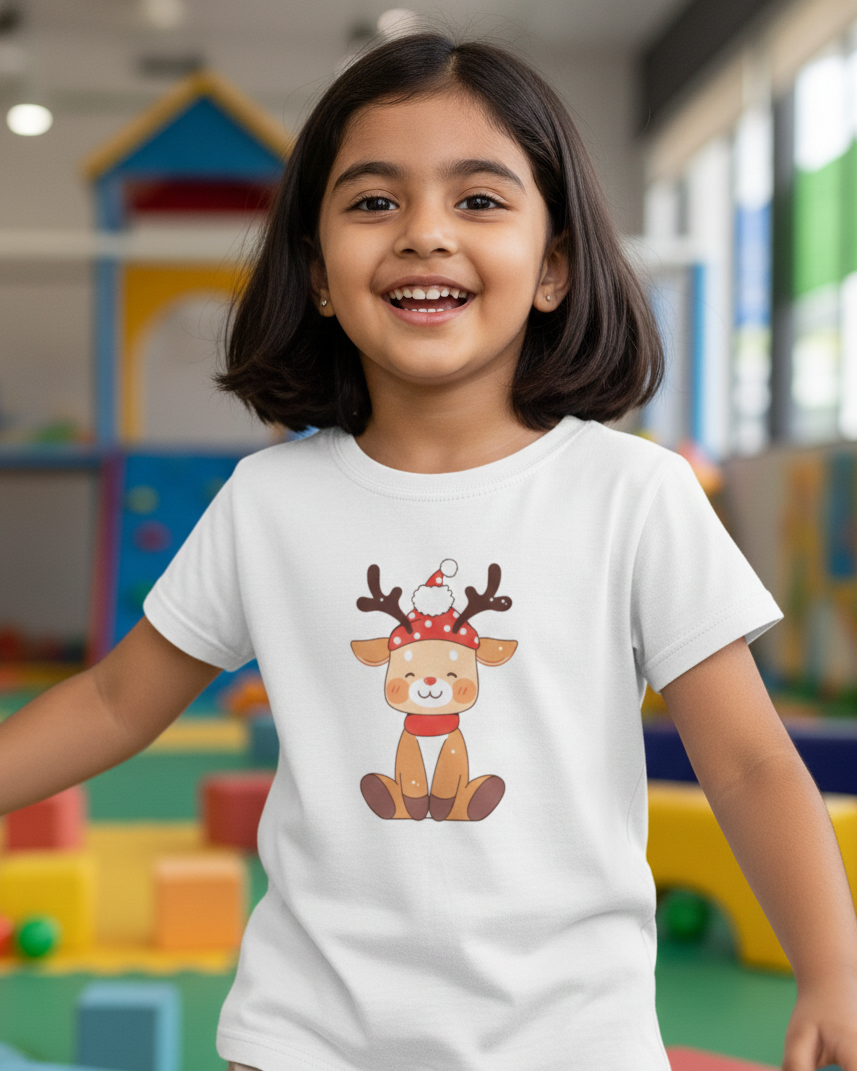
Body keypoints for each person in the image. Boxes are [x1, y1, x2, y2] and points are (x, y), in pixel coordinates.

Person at [2, 30, 856, 1071]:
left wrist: (832, 967)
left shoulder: (632, 493)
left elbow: (750, 759)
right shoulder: (271, 501)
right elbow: (113, 701)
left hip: (567, 1042)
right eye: (373, 202)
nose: (422, 235)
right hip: (308, 1040)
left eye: (478, 200)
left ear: (550, 268)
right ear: (317, 276)